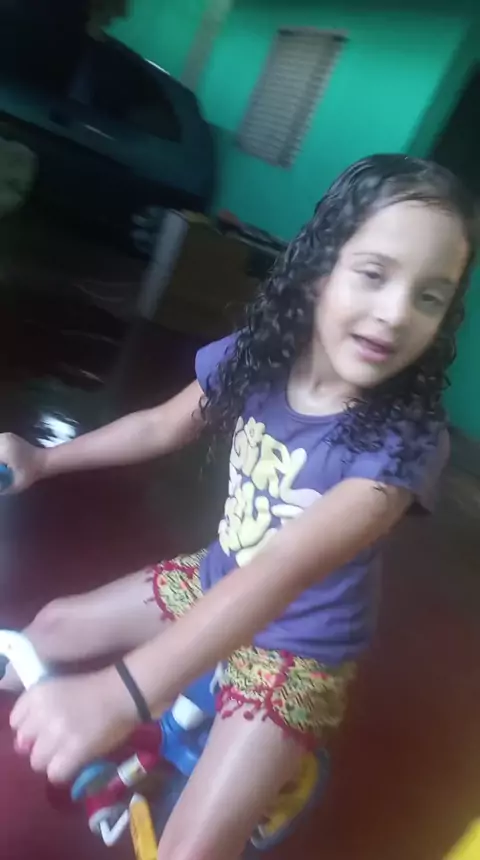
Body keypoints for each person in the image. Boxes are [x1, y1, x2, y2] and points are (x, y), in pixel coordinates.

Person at [0, 155, 476, 860]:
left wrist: (122, 692)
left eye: (430, 297)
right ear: (319, 270)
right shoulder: (258, 358)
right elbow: (160, 426)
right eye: (374, 274)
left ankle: (282, 773)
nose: (396, 312)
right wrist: (44, 460)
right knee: (48, 630)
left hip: (298, 649)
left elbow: (282, 570)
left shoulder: (406, 444)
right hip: (216, 576)